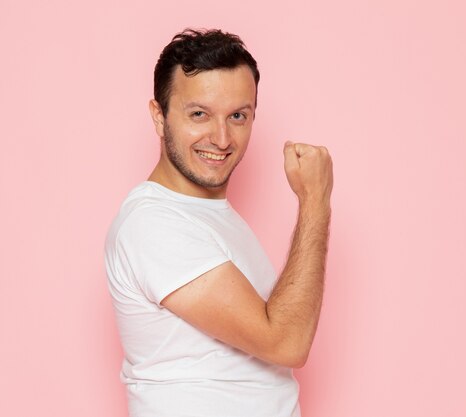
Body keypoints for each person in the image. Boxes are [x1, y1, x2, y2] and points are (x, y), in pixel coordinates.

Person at [105, 28, 333, 417]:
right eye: (199, 114)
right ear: (159, 117)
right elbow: (286, 342)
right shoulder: (153, 223)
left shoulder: (212, 219)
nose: (222, 138)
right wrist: (315, 200)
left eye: (238, 116)